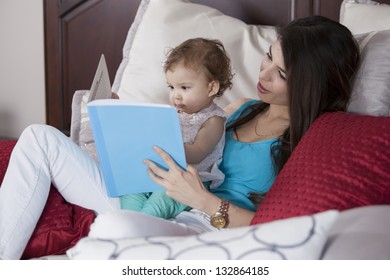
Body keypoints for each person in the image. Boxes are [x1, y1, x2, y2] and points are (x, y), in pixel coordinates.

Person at [0, 15, 360, 260]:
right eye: (267, 56)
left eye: (279, 72)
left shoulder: (311, 141)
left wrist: (202, 201)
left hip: (198, 224)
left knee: (116, 226)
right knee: (38, 138)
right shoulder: (243, 108)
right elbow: (185, 128)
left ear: (309, 82)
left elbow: (280, 227)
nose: (263, 73)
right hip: (149, 193)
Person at [120, 38, 233, 219]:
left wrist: (162, 142)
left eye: (184, 88)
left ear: (212, 87)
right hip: (163, 172)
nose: (175, 95)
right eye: (171, 87)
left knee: (159, 202)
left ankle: (141, 225)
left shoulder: (213, 121)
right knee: (131, 189)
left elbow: (197, 152)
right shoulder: (177, 112)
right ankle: (126, 222)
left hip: (189, 183)